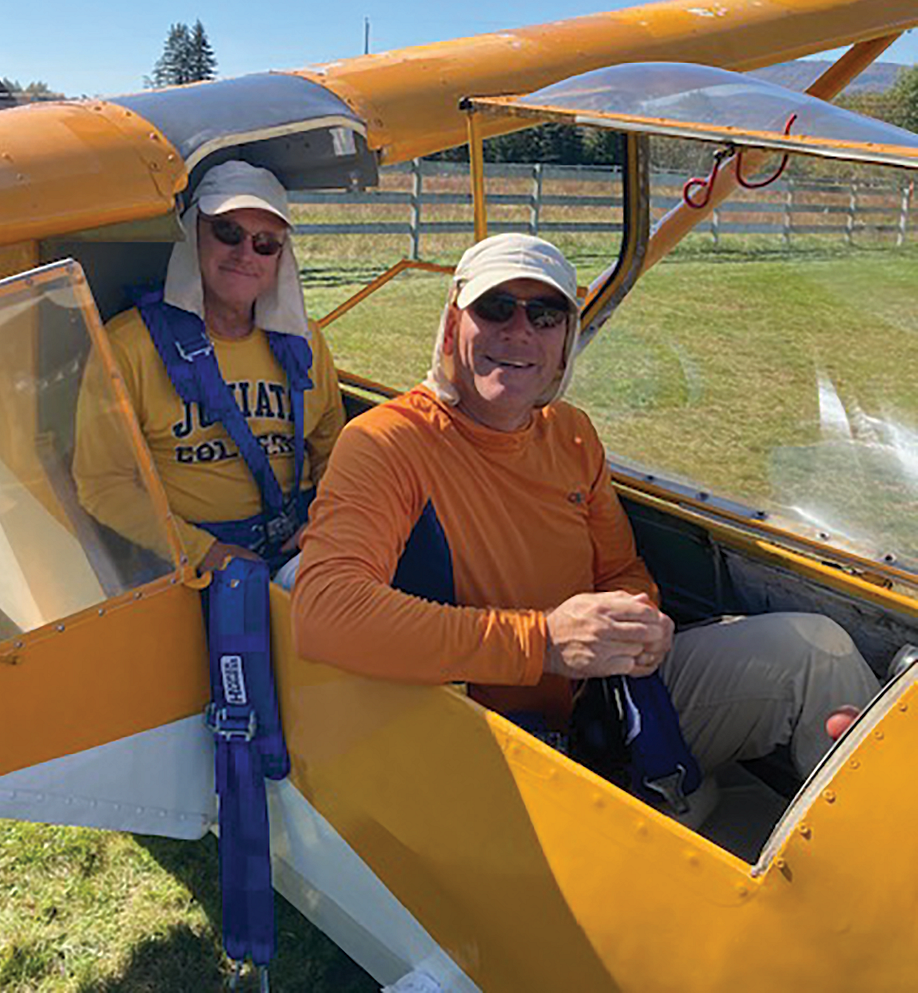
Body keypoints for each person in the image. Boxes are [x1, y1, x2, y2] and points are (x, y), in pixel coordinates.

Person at [291, 233, 880, 794]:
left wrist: (640, 623)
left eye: (545, 314)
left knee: (816, 649)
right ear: (452, 327)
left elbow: (621, 571)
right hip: (478, 733)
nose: (519, 330)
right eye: (496, 308)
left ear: (565, 341)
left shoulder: (572, 435)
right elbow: (324, 613)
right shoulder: (386, 442)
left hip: (605, 698)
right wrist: (542, 642)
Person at [74, 160, 345, 577]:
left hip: (306, 546)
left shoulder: (306, 341)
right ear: (193, 236)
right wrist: (207, 552)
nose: (244, 254)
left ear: (280, 257)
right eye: (228, 232)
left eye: (265, 243)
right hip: (197, 564)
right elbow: (102, 485)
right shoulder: (128, 346)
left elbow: (332, 450)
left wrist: (325, 521)